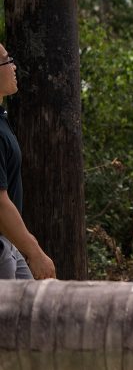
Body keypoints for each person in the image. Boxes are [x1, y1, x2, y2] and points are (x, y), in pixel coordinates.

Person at [0, 43, 56, 280]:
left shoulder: (1, 120)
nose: (13, 66)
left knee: (38, 307)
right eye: (6, 61)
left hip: (10, 242)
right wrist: (35, 253)